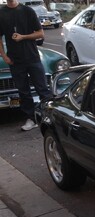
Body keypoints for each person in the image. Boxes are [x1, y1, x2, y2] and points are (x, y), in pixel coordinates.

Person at [0, 0, 52, 131]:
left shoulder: (28, 11)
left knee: (42, 89)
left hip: (32, 57)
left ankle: (50, 116)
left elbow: (40, 33)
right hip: (14, 60)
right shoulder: (1, 13)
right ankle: (31, 118)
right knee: (24, 92)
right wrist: (4, 56)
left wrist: (23, 37)